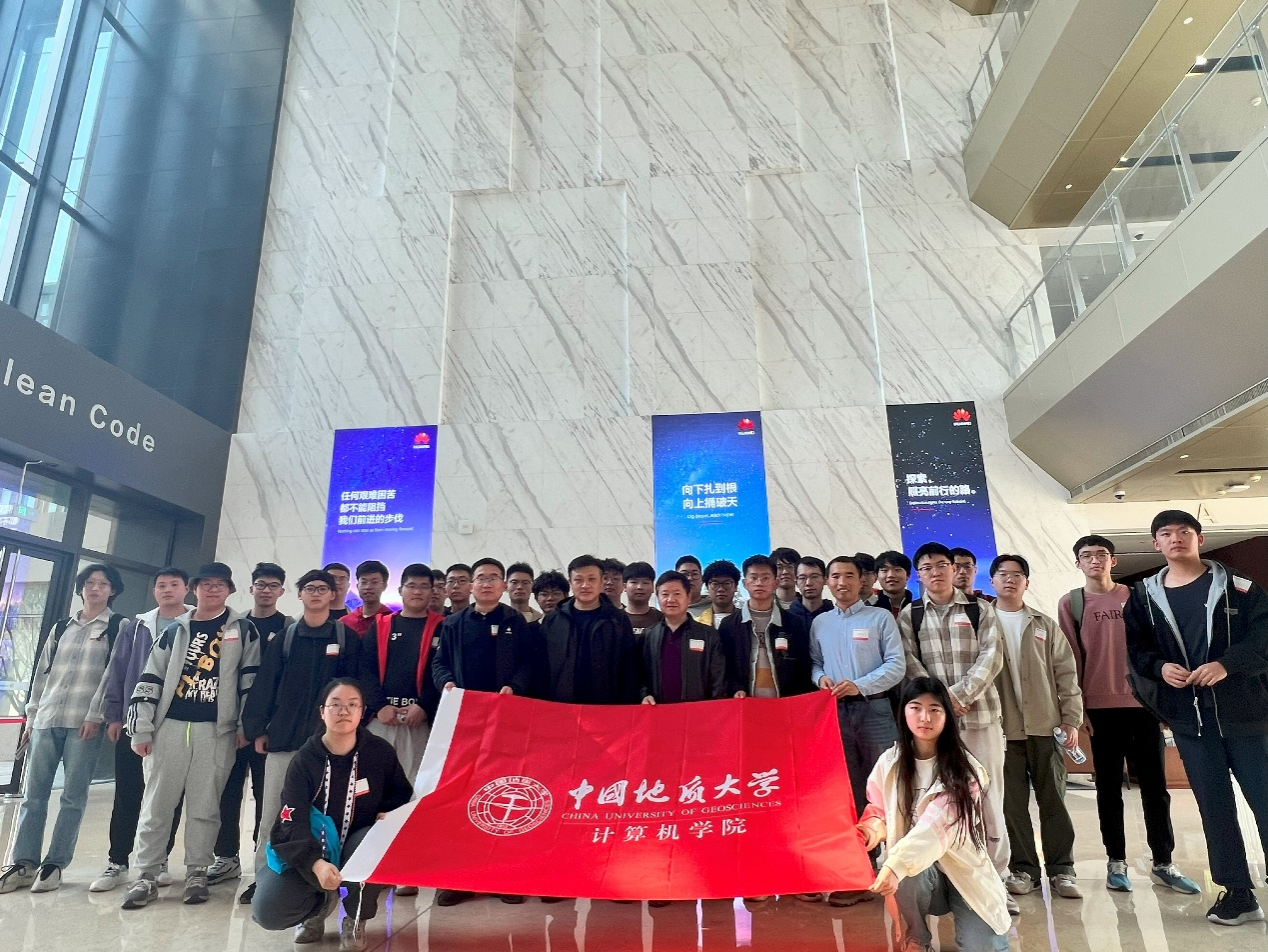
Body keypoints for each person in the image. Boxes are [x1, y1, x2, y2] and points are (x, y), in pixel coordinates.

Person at [1126, 509, 1268, 927]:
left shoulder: (1239, 587)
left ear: (1199, 539)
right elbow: (1137, 650)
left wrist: (1227, 664)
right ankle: (1238, 893)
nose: (1176, 538)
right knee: (1215, 808)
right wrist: (1159, 667)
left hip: (1247, 716)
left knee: (1265, 798)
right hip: (1192, 722)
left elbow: (1264, 636)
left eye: (1184, 531)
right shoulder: (1143, 597)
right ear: (1156, 544)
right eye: (1166, 533)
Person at [1058, 534, 1198, 895]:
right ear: (1077, 563)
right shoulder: (1072, 603)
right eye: (1087, 555)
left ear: (1113, 560)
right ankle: (1115, 862)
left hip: (1143, 706)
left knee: (1155, 788)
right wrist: (1077, 710)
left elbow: (1157, 648)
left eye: (1101, 554)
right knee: (1108, 789)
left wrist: (1164, 701)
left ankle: (1163, 862)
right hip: (1099, 710)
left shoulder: (1137, 597)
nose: (1095, 560)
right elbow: (1070, 659)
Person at [121, 562, 262, 909]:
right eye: (206, 584)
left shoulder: (244, 630)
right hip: (168, 727)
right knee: (156, 805)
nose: (212, 589)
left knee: (205, 806)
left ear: (229, 591)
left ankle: (197, 872)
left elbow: (251, 682)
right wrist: (141, 728)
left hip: (217, 731)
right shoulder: (174, 630)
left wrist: (244, 727)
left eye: (220, 585)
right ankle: (146, 875)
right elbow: (150, 677)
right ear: (195, 589)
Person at [252, 678, 413, 952]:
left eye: (352, 705)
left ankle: (355, 917)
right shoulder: (305, 760)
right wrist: (315, 863)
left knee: (374, 840)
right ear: (322, 712)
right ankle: (317, 908)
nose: (344, 711)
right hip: (315, 845)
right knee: (269, 911)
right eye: (335, 705)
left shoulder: (379, 753)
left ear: (362, 712)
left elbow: (401, 794)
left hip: (359, 843)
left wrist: (388, 814)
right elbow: (291, 821)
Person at [0, 564, 125, 894]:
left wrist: (95, 715)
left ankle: (55, 863)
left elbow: (112, 676)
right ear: (80, 589)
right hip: (47, 718)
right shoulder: (61, 627)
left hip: (83, 723)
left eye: (103, 584)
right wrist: (31, 717)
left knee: (72, 796)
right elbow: (43, 674)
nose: (95, 588)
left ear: (112, 590)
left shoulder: (117, 626)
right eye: (89, 583)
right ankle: (24, 862)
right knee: (33, 796)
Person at [860, 677, 1010, 952]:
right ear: (903, 712)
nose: (924, 718)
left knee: (985, 947)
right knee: (906, 866)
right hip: (920, 876)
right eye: (915, 708)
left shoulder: (966, 770)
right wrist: (869, 831)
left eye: (934, 709)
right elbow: (879, 810)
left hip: (963, 872)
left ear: (948, 716)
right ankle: (918, 936)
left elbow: (937, 825)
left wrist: (895, 866)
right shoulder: (889, 762)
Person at [240, 569, 360, 903]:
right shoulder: (286, 637)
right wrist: (257, 729)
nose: (316, 593)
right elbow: (266, 684)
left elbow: (357, 690)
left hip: (331, 746)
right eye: (310, 588)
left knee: (327, 815)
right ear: (299, 594)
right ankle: (264, 879)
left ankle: (327, 879)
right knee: (274, 813)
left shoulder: (347, 638)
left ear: (333, 594)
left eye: (323, 588)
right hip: (285, 739)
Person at [898, 543, 1010, 895]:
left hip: (981, 717)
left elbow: (992, 656)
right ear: (919, 575)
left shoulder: (979, 609)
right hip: (933, 725)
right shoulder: (911, 615)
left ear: (953, 568)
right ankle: (946, 880)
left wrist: (959, 696)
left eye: (941, 565)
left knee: (989, 796)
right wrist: (942, 704)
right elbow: (911, 663)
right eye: (927, 567)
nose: (935, 572)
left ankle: (996, 879)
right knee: (936, 799)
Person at [432, 557, 538, 907]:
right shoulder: (453, 623)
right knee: (463, 797)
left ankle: (503, 876)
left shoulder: (515, 621)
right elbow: (439, 663)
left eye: (494, 578)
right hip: (465, 725)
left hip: (506, 724)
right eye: (481, 578)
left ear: (504, 585)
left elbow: (529, 663)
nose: (487, 583)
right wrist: (446, 683)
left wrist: (515, 686)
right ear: (471, 585)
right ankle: (461, 877)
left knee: (504, 795)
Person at [807, 554, 904, 906]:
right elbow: (815, 662)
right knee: (848, 793)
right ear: (827, 582)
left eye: (849, 575)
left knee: (887, 789)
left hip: (875, 710)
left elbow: (896, 665)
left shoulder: (879, 618)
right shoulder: (820, 623)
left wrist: (860, 685)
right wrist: (820, 678)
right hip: (835, 713)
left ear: (861, 580)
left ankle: (900, 871)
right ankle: (859, 872)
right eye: (835, 576)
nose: (842, 582)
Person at [90, 567, 192, 893]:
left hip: (176, 721)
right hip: (135, 721)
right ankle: (117, 862)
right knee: (128, 793)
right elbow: (118, 670)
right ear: (154, 591)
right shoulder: (135, 627)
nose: (167, 590)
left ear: (186, 589)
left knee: (168, 796)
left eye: (174, 584)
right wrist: (114, 715)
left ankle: (159, 859)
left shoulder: (194, 625)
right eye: (161, 585)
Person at [989, 554, 1083, 902]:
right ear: (992, 581)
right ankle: (1023, 869)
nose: (1010, 579)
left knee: (1054, 800)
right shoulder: (983, 623)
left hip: (1045, 726)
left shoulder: (1044, 624)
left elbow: (1066, 674)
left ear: (1027, 582)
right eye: (1003, 574)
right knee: (1012, 805)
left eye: (1017, 575)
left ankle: (1062, 870)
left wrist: (1071, 718)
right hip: (1001, 730)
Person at [209, 562, 290, 895]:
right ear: (251, 588)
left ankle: (263, 862)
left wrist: (264, 725)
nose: (266, 590)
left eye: (273, 585)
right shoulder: (234, 625)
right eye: (261, 584)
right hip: (230, 725)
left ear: (282, 591)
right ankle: (226, 857)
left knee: (265, 797)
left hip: (267, 730)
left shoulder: (289, 628)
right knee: (227, 792)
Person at [357, 563, 443, 785]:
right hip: (382, 719)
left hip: (421, 721)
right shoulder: (381, 625)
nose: (417, 591)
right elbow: (365, 670)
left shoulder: (443, 627)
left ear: (432, 591)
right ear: (400, 590)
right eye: (411, 586)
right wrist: (380, 706)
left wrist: (423, 706)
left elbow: (443, 671)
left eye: (424, 586)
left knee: (415, 784)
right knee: (371, 781)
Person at [539, 555, 642, 705]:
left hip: (606, 706)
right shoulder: (553, 620)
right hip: (561, 706)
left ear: (601, 583)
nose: (585, 585)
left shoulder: (617, 619)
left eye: (592, 579)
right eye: (578, 580)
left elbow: (628, 668)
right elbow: (542, 667)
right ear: (570, 583)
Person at [641, 571, 728, 705]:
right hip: (657, 710)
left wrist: (714, 707)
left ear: (688, 597)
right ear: (657, 598)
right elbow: (640, 675)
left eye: (677, 594)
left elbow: (718, 679)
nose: (670, 600)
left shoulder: (708, 635)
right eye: (665, 594)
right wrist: (644, 694)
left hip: (698, 711)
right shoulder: (648, 636)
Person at [341, 560, 394, 636]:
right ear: (357, 586)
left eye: (374, 582)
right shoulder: (344, 623)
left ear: (384, 586)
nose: (368, 587)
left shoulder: (392, 621)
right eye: (364, 582)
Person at [789, 556, 832, 627]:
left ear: (825, 580)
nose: (808, 583)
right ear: (796, 582)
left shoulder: (835, 617)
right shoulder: (785, 618)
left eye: (814, 577)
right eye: (802, 578)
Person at [622, 561, 661, 636]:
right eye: (634, 582)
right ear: (624, 587)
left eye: (645, 583)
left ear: (653, 588)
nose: (639, 587)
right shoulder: (615, 619)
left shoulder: (661, 619)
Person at [698, 559, 740, 628]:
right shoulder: (696, 624)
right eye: (715, 584)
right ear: (707, 587)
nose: (721, 589)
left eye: (727, 583)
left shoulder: (748, 621)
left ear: (736, 587)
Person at [875, 551, 914, 618]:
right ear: (876, 576)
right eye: (884, 570)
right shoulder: (869, 607)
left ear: (908, 575)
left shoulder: (920, 607)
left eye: (897, 570)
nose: (891, 575)